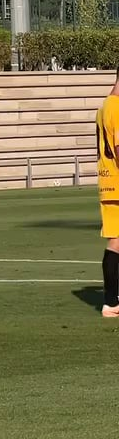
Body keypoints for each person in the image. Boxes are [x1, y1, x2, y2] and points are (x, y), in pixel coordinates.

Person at [96, 70, 119, 318]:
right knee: (116, 242)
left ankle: (113, 300)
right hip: (117, 181)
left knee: (116, 241)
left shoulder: (104, 106)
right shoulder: (117, 107)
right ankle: (111, 300)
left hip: (108, 180)